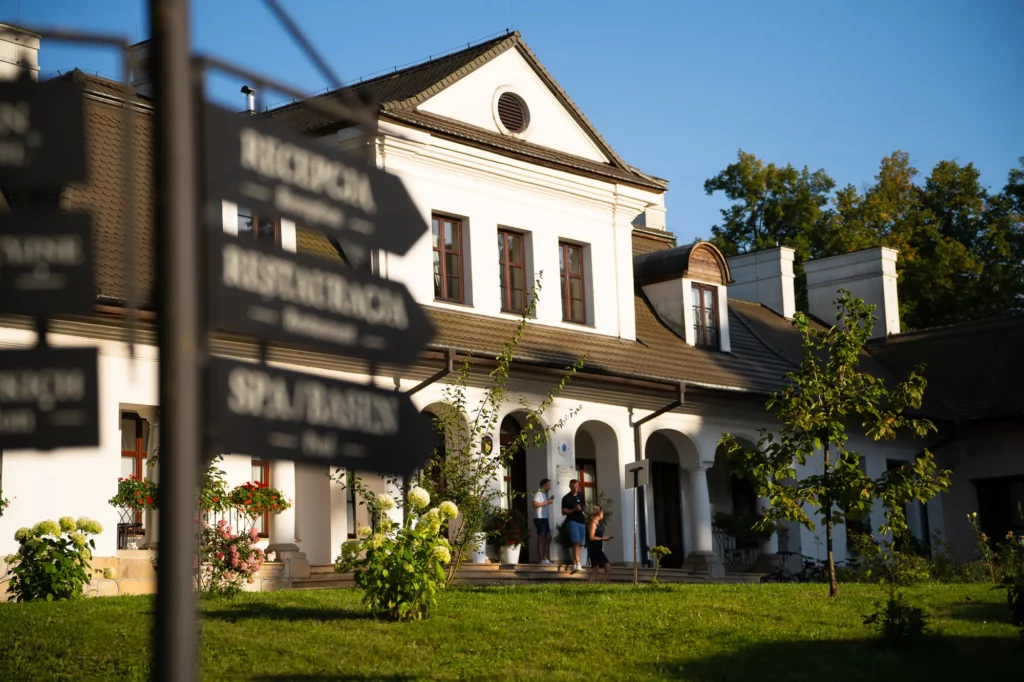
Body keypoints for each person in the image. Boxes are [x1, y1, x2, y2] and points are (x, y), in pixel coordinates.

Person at [561, 479, 586, 573]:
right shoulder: (566, 498)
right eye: (573, 487)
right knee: (575, 542)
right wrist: (574, 509)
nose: (575, 489)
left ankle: (575, 564)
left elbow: (584, 507)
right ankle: (578, 563)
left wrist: (586, 514)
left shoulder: (580, 495)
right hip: (572, 521)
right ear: (570, 486)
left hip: (581, 521)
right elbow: (563, 511)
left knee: (580, 543)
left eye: (577, 487)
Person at [586, 507, 613, 583]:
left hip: (598, 549)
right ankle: (590, 584)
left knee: (607, 568)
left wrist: (604, 538)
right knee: (596, 568)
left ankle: (601, 585)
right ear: (599, 514)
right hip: (594, 549)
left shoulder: (597, 523)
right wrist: (603, 539)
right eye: (602, 514)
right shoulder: (593, 523)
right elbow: (591, 537)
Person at [532, 478, 554, 564]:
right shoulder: (538, 493)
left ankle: (545, 558)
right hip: (540, 518)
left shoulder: (543, 494)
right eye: (549, 485)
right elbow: (534, 504)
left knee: (548, 537)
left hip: (544, 518)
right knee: (541, 538)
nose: (550, 487)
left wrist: (547, 501)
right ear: (544, 485)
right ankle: (542, 559)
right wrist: (547, 502)